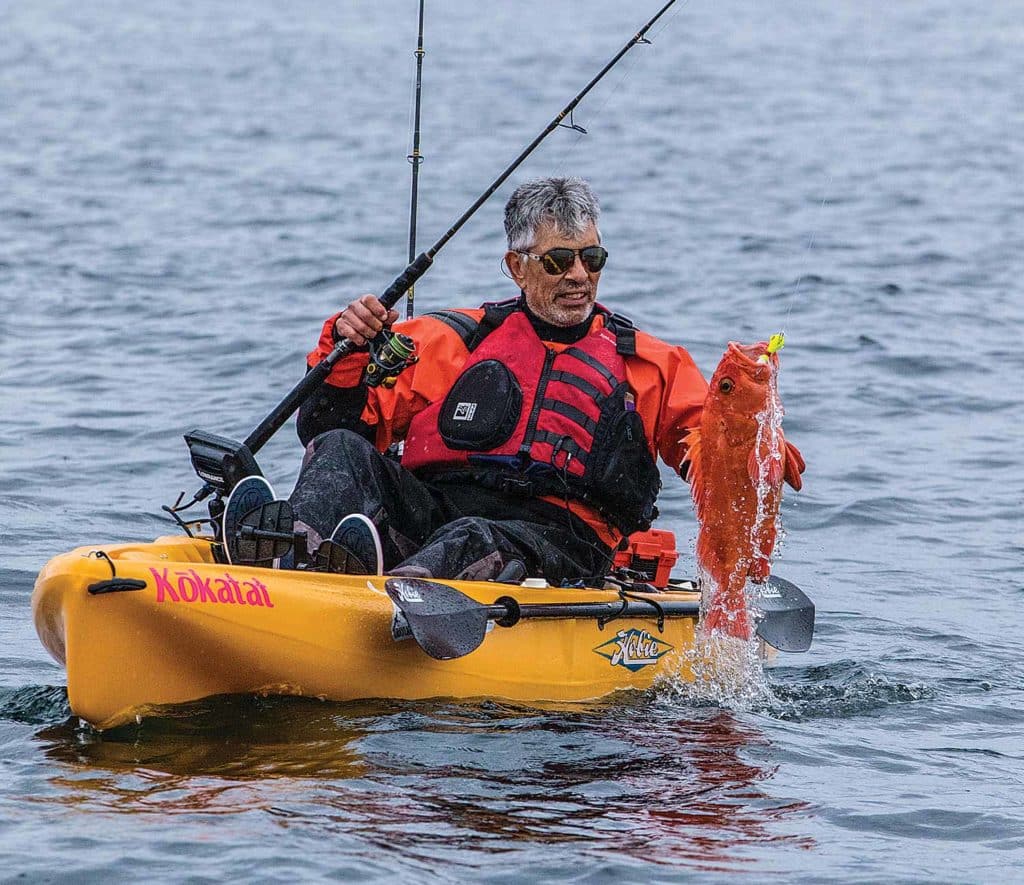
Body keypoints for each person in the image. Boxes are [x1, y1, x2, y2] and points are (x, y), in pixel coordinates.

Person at [228, 177, 711, 584]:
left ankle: (375, 599)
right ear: (517, 267)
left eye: (592, 258)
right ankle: (284, 562)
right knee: (340, 449)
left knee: (472, 538)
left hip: (563, 542)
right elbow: (330, 428)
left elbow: (715, 462)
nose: (579, 275)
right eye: (559, 260)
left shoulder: (652, 364)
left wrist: (754, 445)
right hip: (439, 513)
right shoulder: (449, 339)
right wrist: (347, 352)